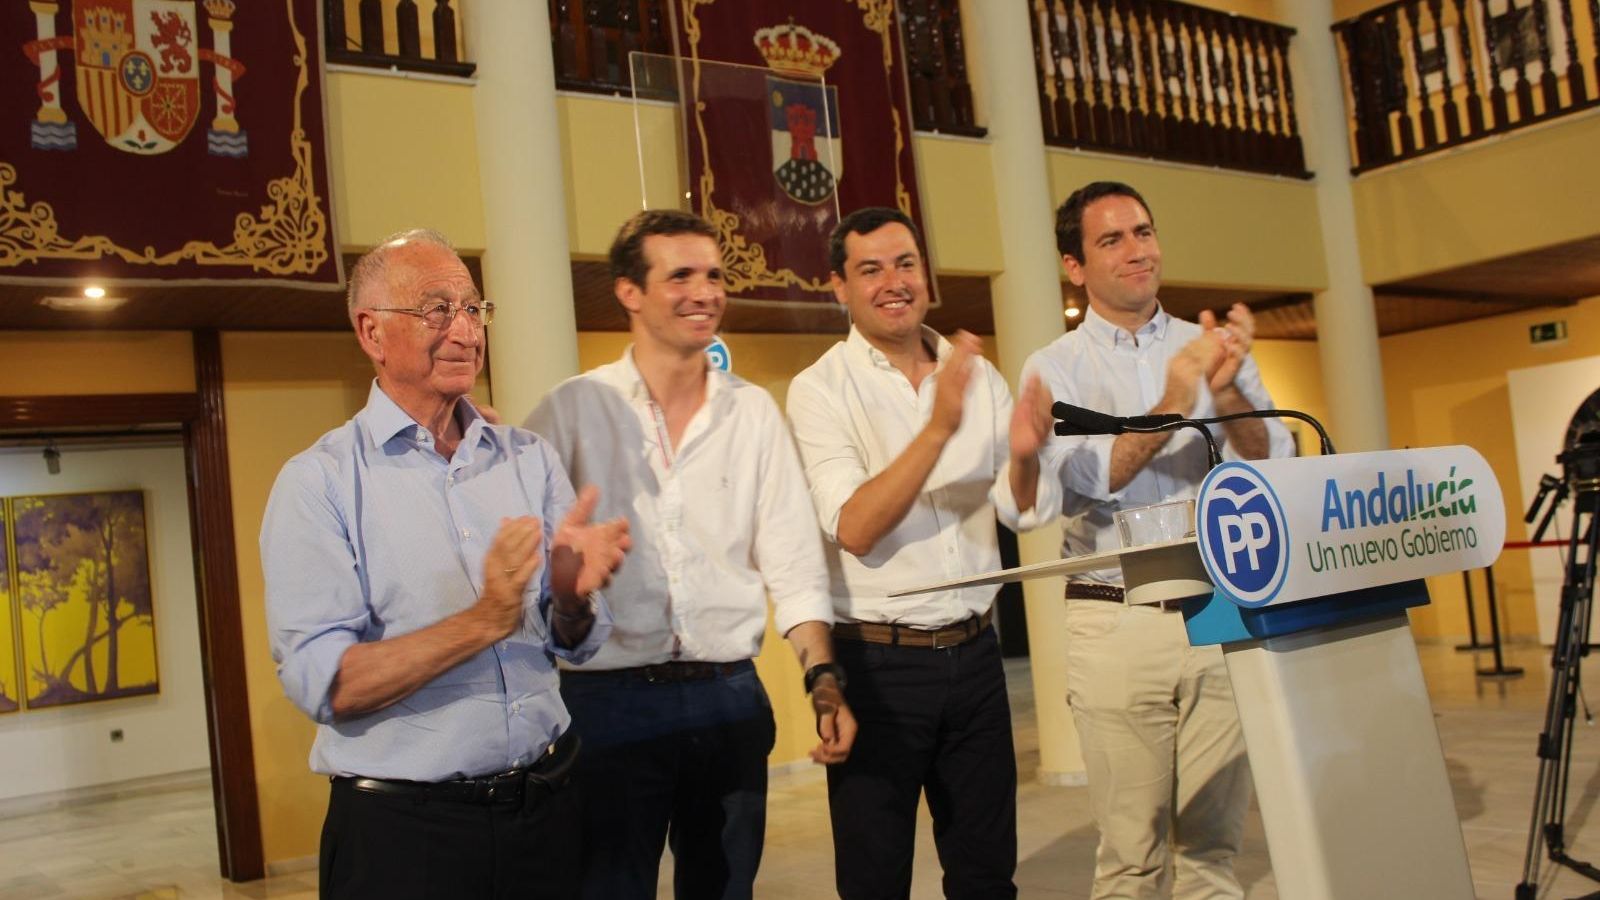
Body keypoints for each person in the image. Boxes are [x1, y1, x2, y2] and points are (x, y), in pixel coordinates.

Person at [262, 229, 631, 899]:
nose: (465, 330)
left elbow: (571, 642)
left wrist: (572, 596)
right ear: (372, 332)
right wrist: (486, 618)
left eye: (473, 309)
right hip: (408, 836)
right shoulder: (318, 483)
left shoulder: (526, 457)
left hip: (548, 808)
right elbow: (327, 683)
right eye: (437, 309)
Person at [525, 208, 856, 899]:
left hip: (728, 697)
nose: (704, 293)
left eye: (713, 275)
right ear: (629, 292)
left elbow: (793, 562)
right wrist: (565, 586)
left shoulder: (754, 412)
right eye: (680, 277)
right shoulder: (570, 410)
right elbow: (532, 567)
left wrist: (822, 677)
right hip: (605, 701)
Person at [997, 182, 1295, 899]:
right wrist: (1174, 397)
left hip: (1220, 607)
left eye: (1144, 232)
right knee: (1131, 856)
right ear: (1075, 266)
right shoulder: (1054, 367)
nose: (1139, 251)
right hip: (1115, 615)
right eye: (1113, 240)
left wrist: (1222, 391)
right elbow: (1088, 479)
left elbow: (1271, 461)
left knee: (1213, 851)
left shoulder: (1209, 348)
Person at [785, 206, 1029, 898]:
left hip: (979, 655)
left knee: (987, 876)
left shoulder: (978, 373)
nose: (894, 281)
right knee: (874, 881)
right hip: (877, 664)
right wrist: (941, 427)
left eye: (906, 263)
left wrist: (1032, 452)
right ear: (838, 285)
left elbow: (1018, 507)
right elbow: (856, 527)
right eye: (871, 269)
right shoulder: (818, 390)